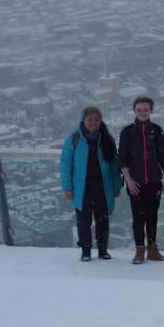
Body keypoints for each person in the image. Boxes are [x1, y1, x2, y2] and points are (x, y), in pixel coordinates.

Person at [60, 106, 123, 261]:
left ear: (101, 121)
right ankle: (86, 251)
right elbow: (65, 165)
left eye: (97, 119)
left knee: (103, 220)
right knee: (83, 221)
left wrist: (116, 186)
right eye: (90, 119)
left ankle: (103, 250)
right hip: (82, 188)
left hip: (103, 187)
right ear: (83, 120)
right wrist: (67, 187)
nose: (93, 122)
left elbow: (114, 166)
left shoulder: (107, 139)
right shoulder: (74, 139)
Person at [118, 96, 164, 264]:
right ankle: (139, 250)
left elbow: (162, 156)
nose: (142, 112)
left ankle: (153, 249)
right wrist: (129, 180)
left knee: (153, 216)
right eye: (139, 110)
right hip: (136, 182)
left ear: (151, 111)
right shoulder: (127, 132)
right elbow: (122, 158)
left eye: (145, 110)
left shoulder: (157, 130)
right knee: (138, 217)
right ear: (134, 111)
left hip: (155, 180)